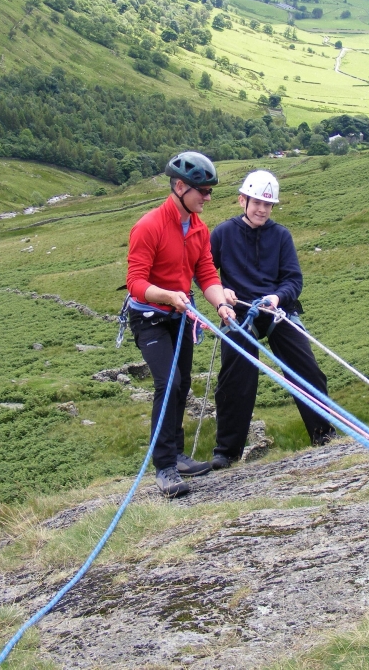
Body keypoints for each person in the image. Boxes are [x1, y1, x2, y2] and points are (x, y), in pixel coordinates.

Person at [126, 151, 235, 498]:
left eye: (209, 191)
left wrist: (220, 305)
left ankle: (177, 453)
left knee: (183, 382)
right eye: (202, 190)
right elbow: (135, 283)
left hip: (179, 314)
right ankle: (164, 468)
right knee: (168, 382)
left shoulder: (199, 230)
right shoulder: (149, 226)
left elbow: (206, 272)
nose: (207, 197)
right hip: (149, 317)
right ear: (179, 186)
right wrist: (169, 296)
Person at [210, 170, 335, 469]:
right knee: (236, 378)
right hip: (240, 313)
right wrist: (221, 291)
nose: (262, 210)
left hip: (277, 311)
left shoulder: (281, 236)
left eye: (268, 205)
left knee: (308, 371)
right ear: (243, 200)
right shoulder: (222, 234)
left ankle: (325, 437)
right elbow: (205, 272)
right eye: (257, 203)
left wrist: (277, 298)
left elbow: (293, 279)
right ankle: (227, 453)